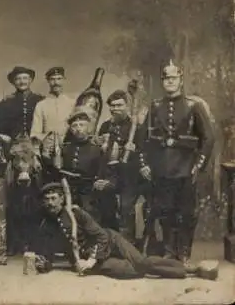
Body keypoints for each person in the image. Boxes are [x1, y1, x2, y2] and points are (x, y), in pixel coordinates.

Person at [30, 182, 219, 280]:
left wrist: (90, 260)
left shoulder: (76, 213)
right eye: (46, 200)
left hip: (110, 242)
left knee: (141, 263)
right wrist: (42, 264)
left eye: (54, 198)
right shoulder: (46, 225)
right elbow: (47, 256)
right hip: (88, 262)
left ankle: (191, 271)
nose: (50, 203)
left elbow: (102, 236)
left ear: (62, 199)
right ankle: (183, 270)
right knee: (132, 272)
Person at [137, 60, 215, 267]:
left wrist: (199, 164)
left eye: (173, 77)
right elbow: (142, 138)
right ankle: (169, 252)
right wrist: (144, 163)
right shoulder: (155, 106)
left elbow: (208, 138)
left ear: (180, 80)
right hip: (161, 168)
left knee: (187, 213)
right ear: (162, 82)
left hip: (186, 167)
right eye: (166, 78)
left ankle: (184, 253)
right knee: (165, 210)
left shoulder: (193, 106)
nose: (169, 81)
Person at [56, 107, 119, 230]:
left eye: (82, 125)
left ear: (89, 128)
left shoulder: (97, 149)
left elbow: (104, 173)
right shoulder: (65, 149)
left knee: (91, 215)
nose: (78, 129)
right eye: (74, 126)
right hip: (68, 190)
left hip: (89, 192)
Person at [98, 89, 144, 244]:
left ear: (127, 106)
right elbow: (99, 152)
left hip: (129, 175)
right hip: (110, 174)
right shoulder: (105, 126)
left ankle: (127, 245)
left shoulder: (135, 126)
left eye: (119, 105)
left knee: (126, 208)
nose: (115, 109)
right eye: (112, 106)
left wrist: (134, 150)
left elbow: (145, 151)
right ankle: (109, 243)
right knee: (106, 206)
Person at [0, 66, 44, 142]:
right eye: (18, 79)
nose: (22, 82)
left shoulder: (40, 100)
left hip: (36, 144)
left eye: (25, 78)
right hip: (14, 144)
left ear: (30, 80)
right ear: (13, 82)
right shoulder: (7, 102)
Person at [31, 67, 76, 143]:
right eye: (52, 79)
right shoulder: (41, 105)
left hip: (70, 146)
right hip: (49, 148)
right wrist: (47, 140)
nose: (56, 83)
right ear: (48, 81)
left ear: (64, 80)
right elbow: (35, 133)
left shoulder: (73, 103)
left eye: (59, 79)